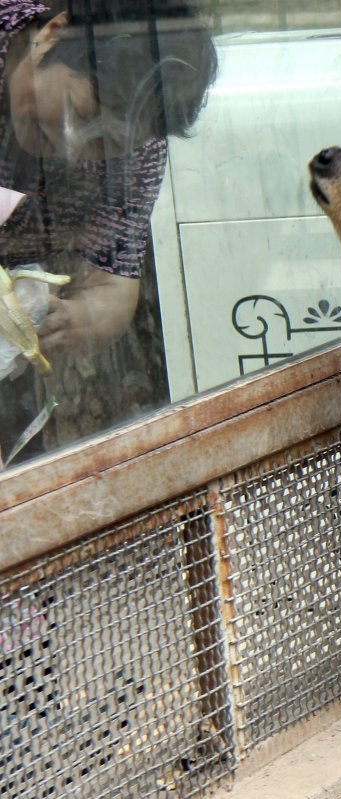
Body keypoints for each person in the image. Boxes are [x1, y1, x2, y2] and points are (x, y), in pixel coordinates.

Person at [0, 0, 216, 464]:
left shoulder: (138, 158)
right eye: (79, 109)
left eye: (108, 142)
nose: (72, 148)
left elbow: (112, 284)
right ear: (54, 34)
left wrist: (75, 321)